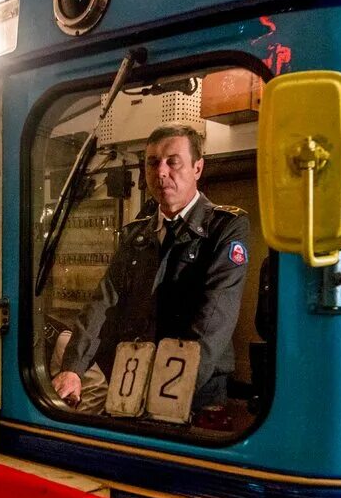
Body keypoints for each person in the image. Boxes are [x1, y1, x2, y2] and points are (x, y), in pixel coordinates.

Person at [51, 124, 249, 413]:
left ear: (197, 168)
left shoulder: (225, 228)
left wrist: (169, 389)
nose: (161, 172)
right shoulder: (136, 234)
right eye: (153, 163)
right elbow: (104, 303)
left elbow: (214, 318)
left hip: (195, 391)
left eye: (173, 162)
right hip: (131, 383)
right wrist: (73, 369)